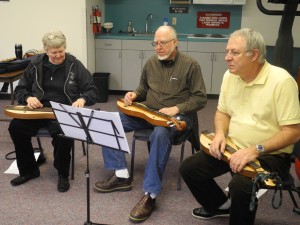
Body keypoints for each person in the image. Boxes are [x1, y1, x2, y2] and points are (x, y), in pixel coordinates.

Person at [179, 28, 300, 225]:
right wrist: (219, 134)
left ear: (254, 55)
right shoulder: (230, 76)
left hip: (270, 153)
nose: (227, 57)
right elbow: (223, 112)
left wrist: (255, 150)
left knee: (241, 185)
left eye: (234, 53)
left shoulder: (282, 81)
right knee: (189, 169)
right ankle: (220, 207)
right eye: (227, 52)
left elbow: (293, 132)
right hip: (233, 146)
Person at [94, 25, 207, 223]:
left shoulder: (190, 65)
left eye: (163, 43)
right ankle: (121, 175)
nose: (158, 47)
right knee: (108, 122)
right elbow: (143, 88)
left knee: (160, 134)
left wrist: (177, 108)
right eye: (155, 43)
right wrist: (134, 94)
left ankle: (150, 195)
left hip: (176, 118)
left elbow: (200, 99)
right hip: (149, 112)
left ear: (175, 42)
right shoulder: (151, 63)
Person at [8, 30, 98, 192]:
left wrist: (82, 99)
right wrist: (28, 98)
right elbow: (20, 89)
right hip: (39, 109)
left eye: (61, 51)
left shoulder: (74, 65)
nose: (58, 55)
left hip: (63, 110)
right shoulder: (35, 64)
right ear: (45, 50)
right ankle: (29, 170)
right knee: (15, 128)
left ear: (65, 48)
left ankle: (62, 173)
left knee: (63, 134)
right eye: (54, 52)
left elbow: (92, 91)